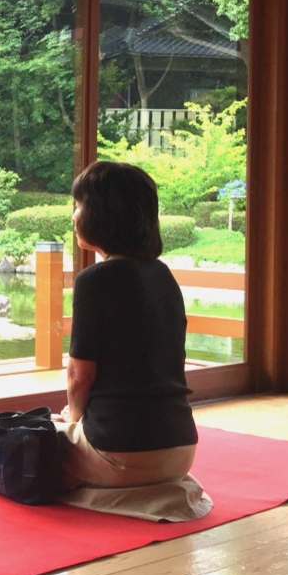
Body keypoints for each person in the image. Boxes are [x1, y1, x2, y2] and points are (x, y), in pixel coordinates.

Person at [55, 160, 213, 522]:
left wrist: (75, 419)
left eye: (78, 206)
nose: (74, 216)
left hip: (123, 453)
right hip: (180, 449)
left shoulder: (95, 279)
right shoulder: (163, 276)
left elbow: (79, 376)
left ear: (101, 215)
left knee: (27, 443)